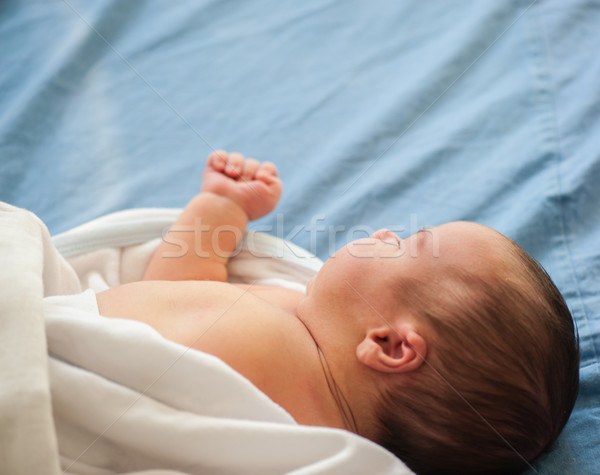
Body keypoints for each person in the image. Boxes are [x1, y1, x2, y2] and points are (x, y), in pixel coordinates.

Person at [97, 150, 580, 474]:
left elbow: (163, 293)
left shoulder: (266, 340)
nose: (388, 234)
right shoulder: (320, 433)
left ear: (388, 344)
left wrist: (219, 208)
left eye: (412, 244)